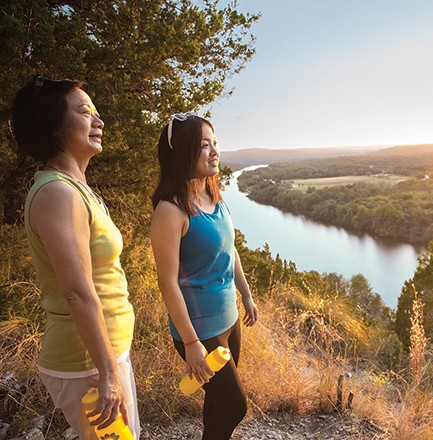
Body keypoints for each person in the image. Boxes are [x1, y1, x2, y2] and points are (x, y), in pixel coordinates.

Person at [10, 76, 140, 439]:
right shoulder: (56, 193)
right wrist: (107, 375)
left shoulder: (77, 189)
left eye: (97, 112)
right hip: (86, 364)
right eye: (85, 112)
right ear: (53, 126)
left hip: (102, 358)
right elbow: (77, 291)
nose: (98, 121)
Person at [150, 112, 258, 439]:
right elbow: (167, 283)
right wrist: (191, 342)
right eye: (203, 146)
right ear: (181, 153)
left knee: (217, 405)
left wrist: (247, 294)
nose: (214, 152)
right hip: (201, 331)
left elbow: (231, 249)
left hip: (230, 319)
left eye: (215, 143)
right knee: (236, 406)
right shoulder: (170, 211)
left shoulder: (215, 195)